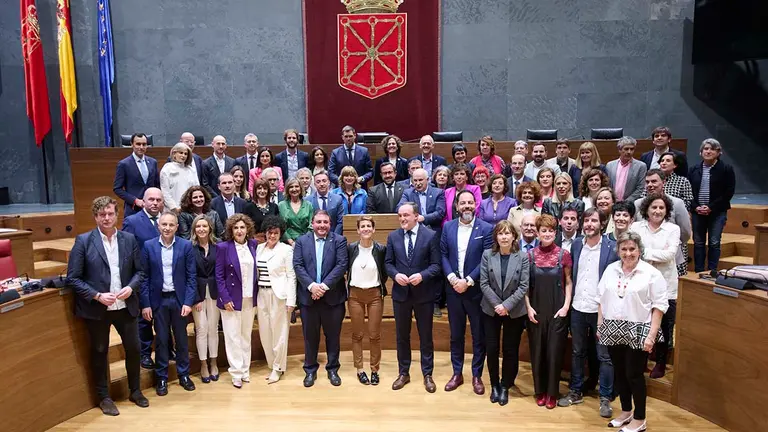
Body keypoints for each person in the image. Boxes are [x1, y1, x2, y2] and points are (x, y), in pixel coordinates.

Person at [67, 196, 149, 416]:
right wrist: (96, 295)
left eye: (110, 213)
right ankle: (104, 397)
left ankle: (135, 391)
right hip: (98, 309)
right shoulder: (83, 241)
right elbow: (73, 278)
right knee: (100, 351)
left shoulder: (129, 239)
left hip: (126, 306)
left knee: (134, 349)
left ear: (116, 215)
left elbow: (140, 272)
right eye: (102, 214)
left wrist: (131, 288)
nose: (106, 218)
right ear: (95, 217)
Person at [597, 231, 667, 432]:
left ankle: (640, 418)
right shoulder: (611, 269)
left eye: (632, 249)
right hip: (612, 327)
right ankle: (626, 411)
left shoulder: (651, 273)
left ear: (639, 250)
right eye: (624, 249)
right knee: (619, 373)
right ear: (618, 250)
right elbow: (601, 298)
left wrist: (651, 335)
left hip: (639, 329)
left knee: (633, 374)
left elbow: (659, 306)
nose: (628, 253)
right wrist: (601, 326)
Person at [557, 208, 618, 417]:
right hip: (578, 308)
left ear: (602, 223)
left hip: (601, 310)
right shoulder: (576, 245)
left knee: (604, 356)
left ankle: (605, 397)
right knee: (577, 352)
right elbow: (570, 276)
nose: (589, 224)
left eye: (594, 221)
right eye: (587, 220)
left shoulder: (612, 248)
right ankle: (575, 391)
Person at [440, 191, 494, 394]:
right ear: (456, 206)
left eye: (470, 203)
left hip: (476, 290)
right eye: (463, 203)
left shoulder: (486, 228)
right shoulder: (448, 226)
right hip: (453, 290)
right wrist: (453, 279)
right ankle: (457, 373)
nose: (467, 206)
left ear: (476, 205)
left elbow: (486, 258)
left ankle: (477, 375)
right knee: (456, 335)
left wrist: (469, 281)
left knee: (478, 335)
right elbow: (443, 254)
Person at [385, 202, 442, 393]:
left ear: (416, 216)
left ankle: (427, 374)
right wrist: (395, 275)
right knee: (402, 336)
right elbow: (388, 263)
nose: (402, 219)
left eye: (406, 215)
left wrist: (422, 276)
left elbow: (436, 265)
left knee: (425, 336)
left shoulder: (430, 235)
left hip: (423, 294)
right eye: (400, 215)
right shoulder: (393, 236)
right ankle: (404, 373)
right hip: (401, 295)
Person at [140, 211, 197, 396]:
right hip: (159, 301)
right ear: (159, 226)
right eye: (164, 224)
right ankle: (162, 378)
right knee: (162, 340)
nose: (167, 228)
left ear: (176, 227)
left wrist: (188, 302)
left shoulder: (186, 245)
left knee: (181, 340)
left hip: (179, 300)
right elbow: (144, 278)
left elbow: (191, 277)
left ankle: (184, 375)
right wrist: (146, 304)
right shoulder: (148, 246)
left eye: (171, 225)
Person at [293, 211, 349, 387]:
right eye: (319, 222)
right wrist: (312, 286)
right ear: (312, 223)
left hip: (332, 298)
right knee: (310, 336)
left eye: (325, 222)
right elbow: (298, 265)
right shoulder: (302, 241)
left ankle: (333, 369)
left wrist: (323, 287)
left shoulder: (339, 240)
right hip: (308, 298)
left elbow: (341, 265)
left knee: (333, 336)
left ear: (330, 224)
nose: (322, 225)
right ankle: (310, 370)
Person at [525, 214, 573, 410]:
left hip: (557, 310)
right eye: (543, 230)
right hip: (536, 310)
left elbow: (569, 282)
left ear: (556, 232)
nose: (547, 234)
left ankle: (552, 393)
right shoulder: (530, 255)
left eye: (550, 231)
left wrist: (566, 306)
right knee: (537, 352)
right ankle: (540, 391)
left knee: (554, 353)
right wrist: (528, 307)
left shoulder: (564, 255)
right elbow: (525, 286)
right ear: (537, 233)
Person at [479, 220, 529, 406]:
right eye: (501, 233)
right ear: (496, 237)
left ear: (514, 236)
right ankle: (494, 385)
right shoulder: (487, 255)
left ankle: (505, 385)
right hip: (490, 310)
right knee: (491, 349)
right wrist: (497, 305)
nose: (504, 237)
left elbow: (523, 286)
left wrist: (506, 305)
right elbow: (483, 283)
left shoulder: (522, 257)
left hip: (514, 311)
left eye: (508, 233)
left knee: (510, 350)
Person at [631, 193, 680, 379]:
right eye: (654, 207)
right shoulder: (636, 226)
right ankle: (642, 359)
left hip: (665, 284)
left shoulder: (672, 229)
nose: (657, 211)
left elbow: (670, 255)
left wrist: (643, 252)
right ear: (646, 209)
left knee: (665, 325)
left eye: (661, 208)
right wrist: (652, 253)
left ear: (666, 210)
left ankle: (660, 361)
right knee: (642, 321)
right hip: (641, 282)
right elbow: (632, 250)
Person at [121, 187, 163, 369]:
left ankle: (167, 348)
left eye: (158, 200)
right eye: (151, 199)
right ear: (143, 201)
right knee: (145, 318)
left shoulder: (167, 220)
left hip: (164, 276)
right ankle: (145, 353)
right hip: (143, 277)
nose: (155, 203)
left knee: (163, 317)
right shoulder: (132, 221)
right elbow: (126, 251)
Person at [215, 214, 259, 388]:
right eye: (236, 228)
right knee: (233, 337)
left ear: (247, 229)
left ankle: (245, 369)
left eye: (242, 227)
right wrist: (225, 298)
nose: (239, 231)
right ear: (231, 230)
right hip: (231, 299)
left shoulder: (254, 245)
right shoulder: (223, 247)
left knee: (245, 335)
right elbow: (218, 276)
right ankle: (236, 372)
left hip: (249, 297)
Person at [347, 216, 388, 385]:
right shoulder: (351, 249)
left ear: (373, 229)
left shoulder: (380, 249)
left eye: (368, 226)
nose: (365, 229)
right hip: (355, 296)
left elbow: (384, 272)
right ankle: (360, 369)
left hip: (375, 296)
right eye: (362, 226)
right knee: (357, 334)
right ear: (357, 230)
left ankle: (374, 369)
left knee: (374, 334)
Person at [256, 216, 297, 384]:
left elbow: (291, 276)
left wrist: (291, 300)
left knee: (279, 333)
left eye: (276, 233)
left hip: (279, 295)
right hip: (261, 294)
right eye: (269, 232)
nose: (272, 236)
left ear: (280, 234)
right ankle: (271, 364)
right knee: (265, 332)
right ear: (265, 232)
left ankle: (278, 367)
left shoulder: (286, 250)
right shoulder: (259, 248)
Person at [634, 169, 692, 284]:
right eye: (647, 182)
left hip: (671, 260)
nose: (650, 185)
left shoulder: (677, 203)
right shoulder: (638, 204)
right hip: (644, 261)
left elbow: (685, 232)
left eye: (654, 181)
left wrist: (670, 245)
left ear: (663, 182)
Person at [689, 138, 736, 274]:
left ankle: (712, 271)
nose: (708, 151)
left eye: (712, 149)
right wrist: (695, 207)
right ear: (700, 152)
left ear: (718, 152)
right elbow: (688, 190)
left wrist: (711, 207)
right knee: (698, 243)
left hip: (717, 212)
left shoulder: (726, 169)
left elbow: (729, 192)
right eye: (705, 149)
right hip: (698, 212)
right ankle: (699, 272)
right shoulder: (694, 169)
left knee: (714, 242)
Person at [189, 214, 220, 384]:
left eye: (204, 226)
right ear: (194, 229)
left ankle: (214, 362)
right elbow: (189, 275)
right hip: (198, 295)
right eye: (198, 226)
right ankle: (203, 364)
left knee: (213, 328)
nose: (201, 229)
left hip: (215, 293)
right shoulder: (190, 248)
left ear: (210, 228)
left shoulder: (218, 246)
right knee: (201, 329)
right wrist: (195, 298)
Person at [113, 133, 160, 216]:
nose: (141, 147)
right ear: (132, 144)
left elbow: (157, 185)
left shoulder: (153, 162)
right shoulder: (124, 164)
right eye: (138, 144)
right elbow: (117, 189)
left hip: (152, 209)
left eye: (144, 144)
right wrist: (135, 200)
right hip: (133, 209)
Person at [397, 168, 447, 233]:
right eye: (415, 180)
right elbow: (399, 208)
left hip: (433, 230)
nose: (418, 183)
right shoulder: (408, 193)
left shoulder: (438, 192)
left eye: (420, 180)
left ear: (427, 180)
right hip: (413, 229)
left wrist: (423, 218)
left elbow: (440, 213)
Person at [160, 143, 200, 213]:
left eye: (185, 154)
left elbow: (197, 189)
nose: (183, 156)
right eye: (181, 153)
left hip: (190, 209)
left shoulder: (191, 170)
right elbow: (165, 192)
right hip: (172, 210)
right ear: (174, 153)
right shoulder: (167, 168)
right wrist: (174, 207)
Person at [606, 136, 647, 203]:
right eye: (626, 149)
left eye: (632, 149)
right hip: (612, 203)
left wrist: (626, 202)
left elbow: (640, 188)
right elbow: (607, 185)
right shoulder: (610, 165)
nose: (629, 152)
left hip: (630, 204)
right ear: (619, 149)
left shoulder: (641, 166)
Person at [279, 178, 314, 246]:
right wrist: (291, 242)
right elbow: (281, 226)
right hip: (287, 243)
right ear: (287, 189)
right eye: (291, 187)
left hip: (306, 242)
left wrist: (304, 241)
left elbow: (311, 225)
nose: (294, 189)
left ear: (301, 188)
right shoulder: (281, 205)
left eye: (296, 186)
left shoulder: (308, 205)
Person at [244, 178, 279, 243]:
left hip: (272, 240)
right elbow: (246, 228)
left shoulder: (274, 207)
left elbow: (278, 226)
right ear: (255, 190)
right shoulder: (249, 207)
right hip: (255, 242)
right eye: (259, 188)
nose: (262, 191)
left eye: (265, 188)